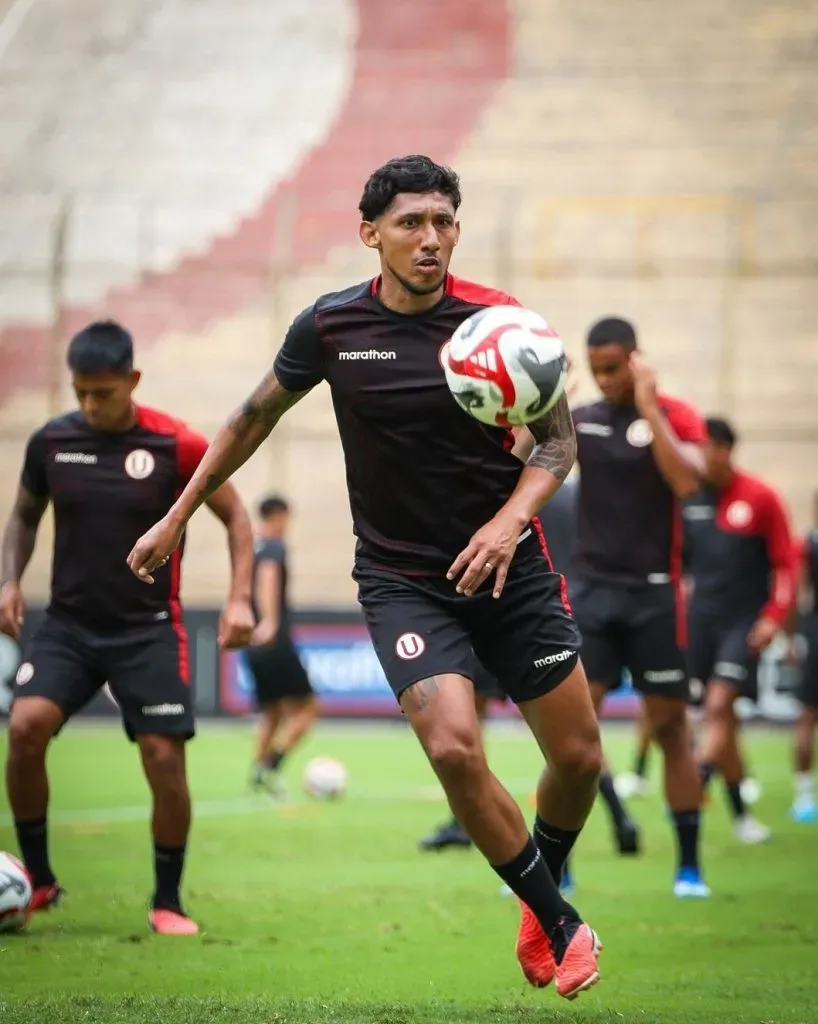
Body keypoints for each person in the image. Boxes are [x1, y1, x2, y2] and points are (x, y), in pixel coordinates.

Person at [127, 155, 604, 1000]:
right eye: (412, 222)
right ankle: (559, 918)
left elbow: (560, 444)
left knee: (578, 760)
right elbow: (249, 419)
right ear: (370, 232)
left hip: (509, 570)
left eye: (444, 221)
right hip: (401, 579)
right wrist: (175, 515)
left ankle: (539, 887)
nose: (431, 239)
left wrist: (507, 521)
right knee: (454, 746)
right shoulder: (331, 327)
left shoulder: (503, 324)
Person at [0, 321, 255, 935]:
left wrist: (239, 598)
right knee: (26, 728)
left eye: (104, 393)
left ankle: (167, 901)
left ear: (132, 381)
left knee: (163, 757)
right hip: (68, 626)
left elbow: (238, 517)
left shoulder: (177, 446)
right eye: (81, 392)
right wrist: (9, 580)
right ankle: (39, 881)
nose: (91, 404)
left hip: (148, 630)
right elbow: (25, 516)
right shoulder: (51, 442)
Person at [571, 316, 709, 898]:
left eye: (613, 368)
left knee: (673, 729)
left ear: (635, 360)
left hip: (655, 594)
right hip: (593, 594)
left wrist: (650, 409)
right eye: (595, 369)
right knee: (575, 735)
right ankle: (556, 866)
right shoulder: (580, 419)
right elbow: (522, 458)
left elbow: (689, 483)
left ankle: (689, 869)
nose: (603, 380)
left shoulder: (675, 416)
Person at [420, 476, 579, 860]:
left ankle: (470, 821)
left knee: (565, 744)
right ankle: (465, 820)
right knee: (569, 743)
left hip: (512, 604)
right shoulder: (564, 495)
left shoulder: (507, 490)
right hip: (536, 607)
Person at [683, 417, 795, 843]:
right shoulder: (689, 498)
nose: (701, 457)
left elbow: (787, 562)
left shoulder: (760, 497)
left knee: (717, 706)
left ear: (727, 449)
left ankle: (697, 780)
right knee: (722, 718)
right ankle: (742, 816)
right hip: (700, 624)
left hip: (743, 624)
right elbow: (680, 563)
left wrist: (774, 616)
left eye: (708, 447)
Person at [247, 494, 318, 794]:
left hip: (252, 642)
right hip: (272, 639)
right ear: (279, 515)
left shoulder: (252, 545)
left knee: (272, 713)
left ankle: (257, 775)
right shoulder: (274, 546)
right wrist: (270, 623)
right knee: (309, 708)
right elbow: (268, 577)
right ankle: (270, 765)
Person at [791, 493, 818, 822]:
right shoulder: (808, 545)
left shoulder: (808, 544)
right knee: (807, 716)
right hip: (813, 633)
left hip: (813, 632)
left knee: (807, 717)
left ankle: (803, 795)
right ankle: (803, 795)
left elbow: (801, 592)